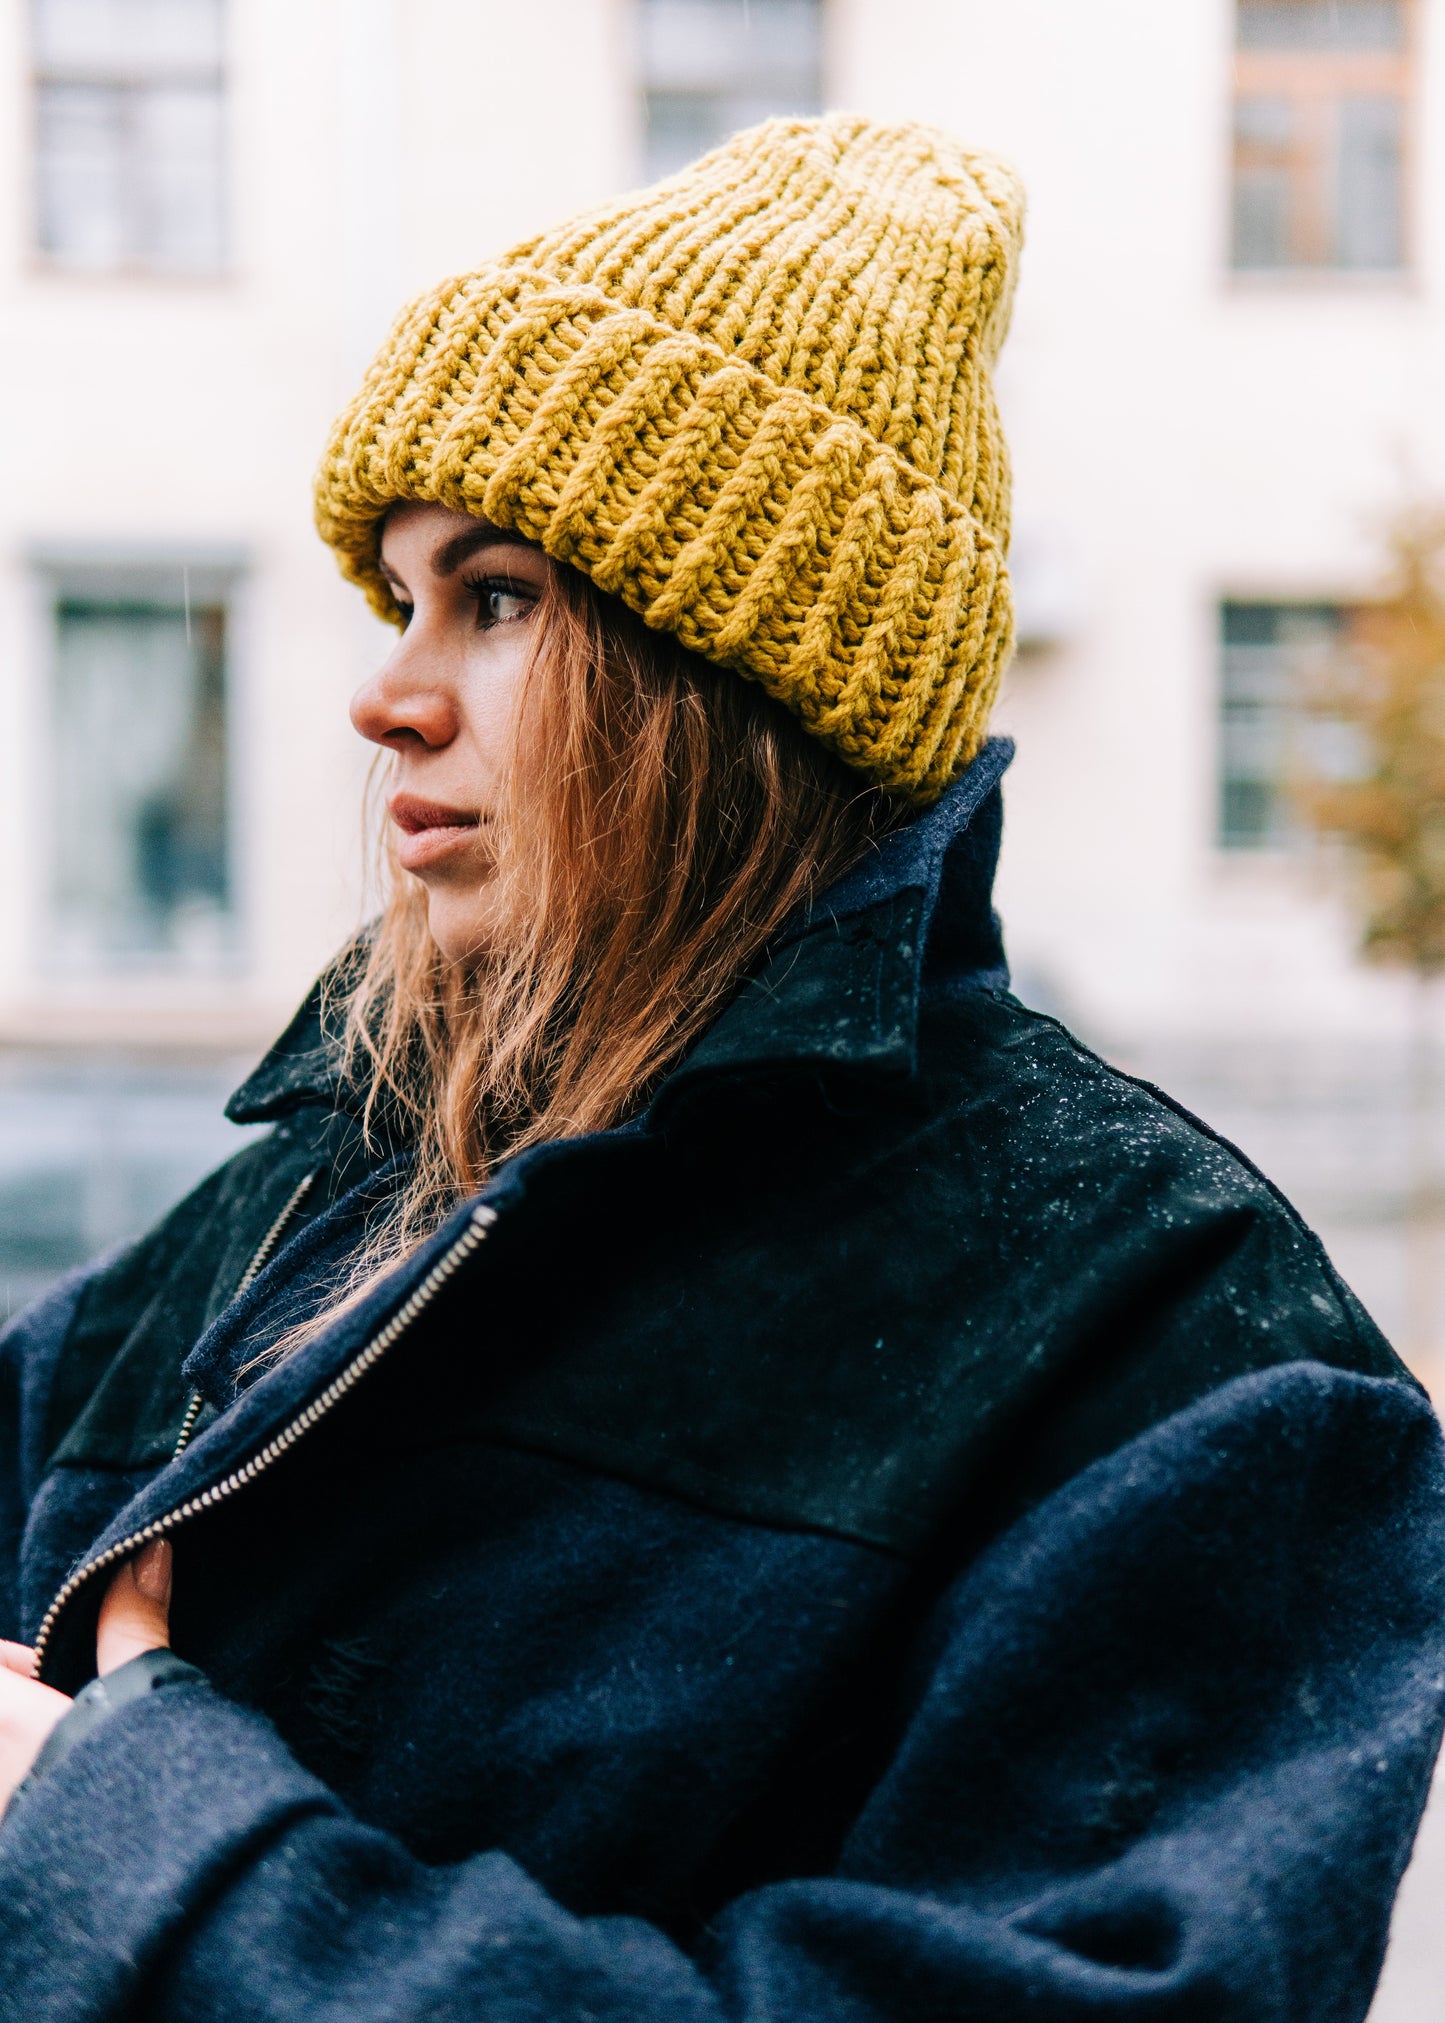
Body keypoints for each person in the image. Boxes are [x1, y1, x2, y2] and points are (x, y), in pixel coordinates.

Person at [0, 114, 1441, 2023]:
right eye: (400, 596)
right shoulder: (298, 1211)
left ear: (736, 674)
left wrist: (131, 1852)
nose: (386, 692)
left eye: (496, 595)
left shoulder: (1187, 1350)